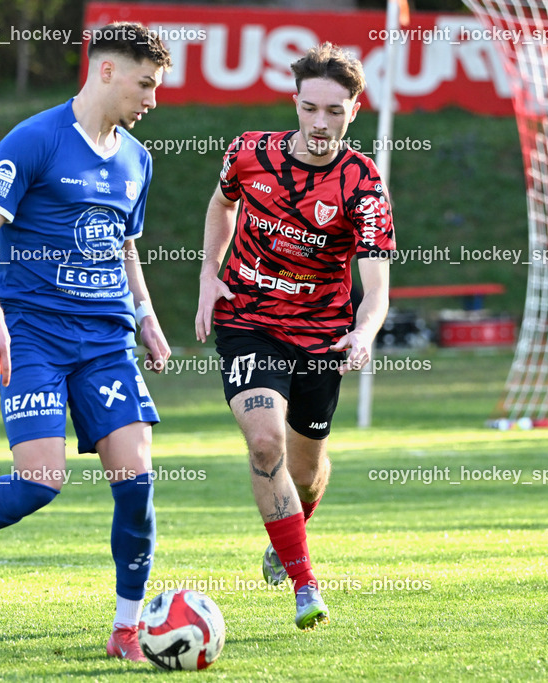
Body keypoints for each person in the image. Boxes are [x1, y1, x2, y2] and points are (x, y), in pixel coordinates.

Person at [0, 22, 172, 663]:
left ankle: (127, 628)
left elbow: (125, 245)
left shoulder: (137, 160)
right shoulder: (34, 140)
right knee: (40, 482)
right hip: (34, 336)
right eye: (145, 84)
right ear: (106, 70)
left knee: (137, 483)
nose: (152, 100)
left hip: (106, 340)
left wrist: (146, 315)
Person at [194, 42, 395, 630]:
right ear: (295, 103)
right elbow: (221, 205)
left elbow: (376, 286)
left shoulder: (363, 185)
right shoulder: (249, 153)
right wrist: (209, 273)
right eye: (310, 108)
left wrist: (364, 332)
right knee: (265, 444)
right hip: (249, 320)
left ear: (354, 110)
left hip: (321, 337)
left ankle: (290, 529)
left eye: (334, 111)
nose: (320, 123)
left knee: (305, 475)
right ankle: (306, 586)